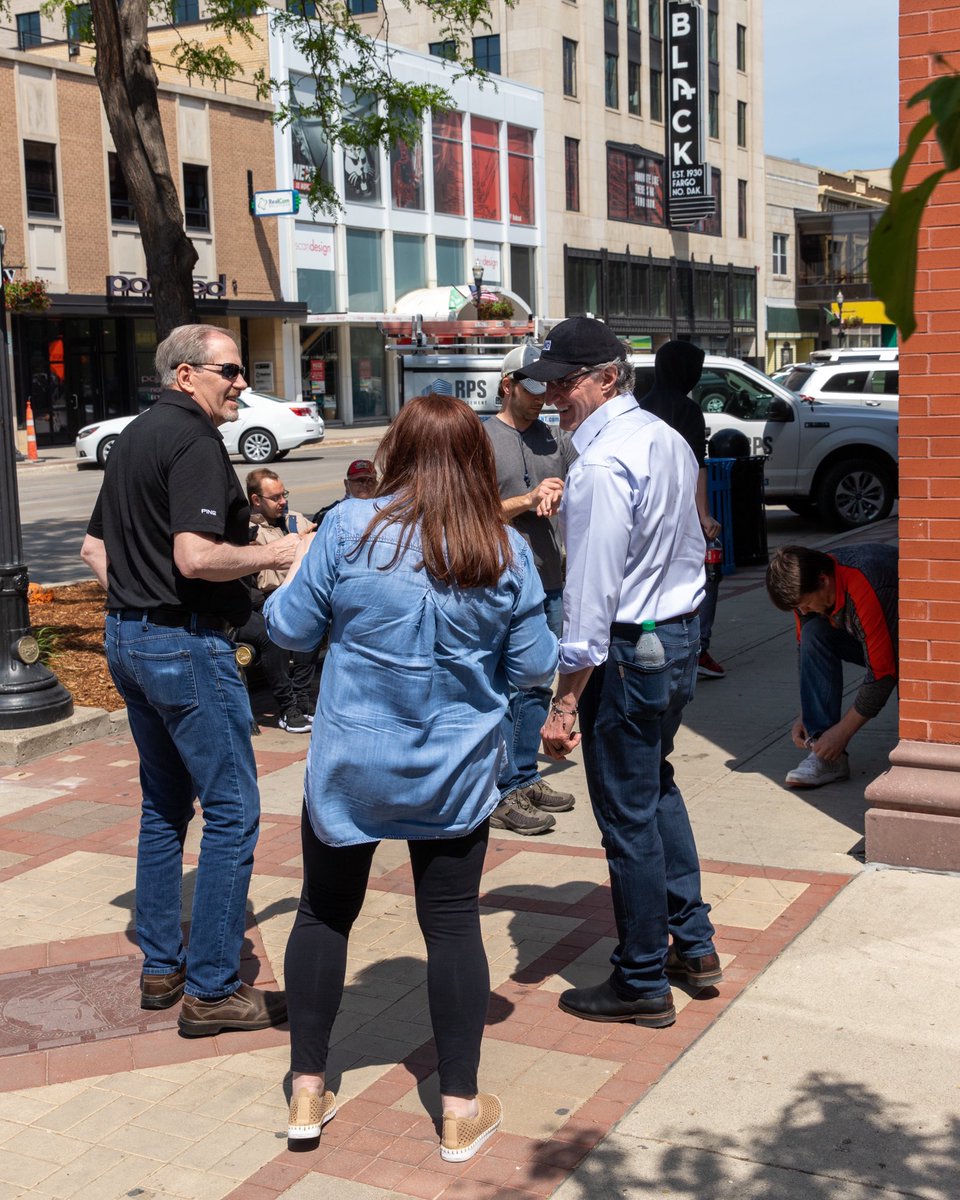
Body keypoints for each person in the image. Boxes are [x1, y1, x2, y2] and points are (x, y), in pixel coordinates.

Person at [263, 393, 557, 1159]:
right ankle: (458, 1109)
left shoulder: (347, 528)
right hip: (454, 767)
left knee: (325, 913)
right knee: (453, 922)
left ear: (396, 450)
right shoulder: (502, 547)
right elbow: (533, 667)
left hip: (352, 760)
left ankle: (305, 1091)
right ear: (477, 459)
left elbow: (289, 630)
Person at [79, 323, 297, 1037]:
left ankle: (161, 966)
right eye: (229, 371)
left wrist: (137, 605)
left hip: (132, 639)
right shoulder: (196, 442)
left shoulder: (136, 435)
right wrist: (287, 547)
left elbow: (92, 548)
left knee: (164, 807)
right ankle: (210, 989)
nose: (241, 383)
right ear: (186, 376)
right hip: (183, 646)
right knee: (233, 811)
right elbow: (197, 557)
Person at [525, 316, 721, 1027]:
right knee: (654, 786)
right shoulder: (663, 439)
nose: (553, 399)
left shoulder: (605, 465)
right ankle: (691, 946)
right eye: (548, 386)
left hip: (632, 646)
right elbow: (694, 535)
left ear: (609, 378)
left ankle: (642, 978)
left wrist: (564, 704)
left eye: (565, 384)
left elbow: (588, 600)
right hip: (671, 637)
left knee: (627, 812)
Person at [484, 343, 579, 836]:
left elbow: (583, 489)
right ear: (508, 385)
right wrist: (526, 499)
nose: (544, 396)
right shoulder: (482, 438)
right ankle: (502, 789)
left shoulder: (555, 439)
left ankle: (524, 774)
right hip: (498, 583)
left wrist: (567, 493)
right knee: (502, 687)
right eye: (534, 386)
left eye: (549, 386)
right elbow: (472, 511)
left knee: (538, 680)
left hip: (550, 579)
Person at [765, 543, 898, 788]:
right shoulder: (806, 588)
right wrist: (807, 713)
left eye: (805, 603)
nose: (803, 610)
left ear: (823, 580)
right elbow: (807, 653)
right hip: (871, 633)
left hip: (919, 643)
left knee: (910, 675)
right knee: (813, 633)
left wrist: (842, 732)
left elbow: (884, 674)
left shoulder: (865, 583)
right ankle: (826, 757)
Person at [639, 340, 725, 679]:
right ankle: (698, 646)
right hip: (680, 512)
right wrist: (703, 517)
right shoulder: (687, 410)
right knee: (703, 572)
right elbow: (696, 466)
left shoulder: (643, 406)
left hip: (649, 510)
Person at [241, 468, 318, 732]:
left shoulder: (296, 520)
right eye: (275, 497)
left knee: (314, 619)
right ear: (256, 500)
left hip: (299, 595)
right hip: (265, 599)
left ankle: (304, 699)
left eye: (283, 494)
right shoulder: (246, 530)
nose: (283, 501)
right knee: (278, 631)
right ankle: (289, 708)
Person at [311, 458, 378, 525]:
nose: (365, 485)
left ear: (376, 484)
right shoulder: (329, 515)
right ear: (346, 484)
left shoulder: (382, 512)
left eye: (370, 481)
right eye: (360, 481)